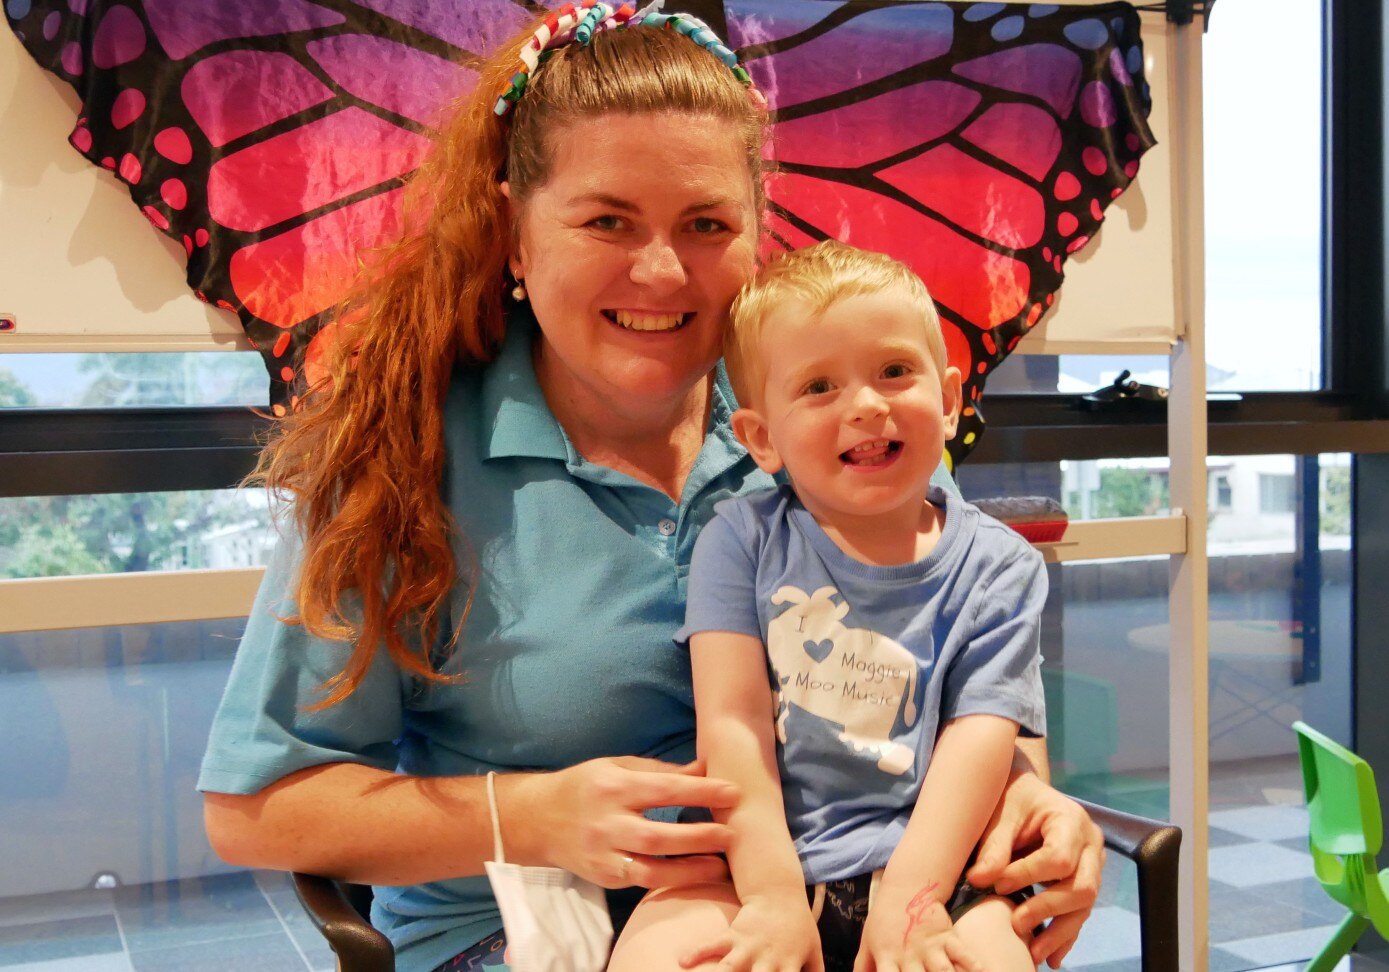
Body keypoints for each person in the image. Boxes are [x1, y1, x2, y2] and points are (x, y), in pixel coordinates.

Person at [197, 6, 1104, 972]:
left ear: (758, 233)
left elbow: (962, 669)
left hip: (834, 896)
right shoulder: (398, 455)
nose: (663, 270)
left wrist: (1031, 804)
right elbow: (256, 811)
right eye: (606, 221)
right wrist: (530, 815)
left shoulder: (831, 427)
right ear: (514, 231)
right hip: (526, 928)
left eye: (706, 224)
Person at [609, 241, 1045, 972]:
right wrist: (773, 895)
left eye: (893, 372)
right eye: (818, 387)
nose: (867, 405)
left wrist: (912, 899)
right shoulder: (739, 541)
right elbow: (733, 724)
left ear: (945, 400)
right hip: (745, 866)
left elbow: (980, 740)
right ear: (760, 438)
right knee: (659, 955)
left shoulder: (1001, 567)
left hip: (933, 869)